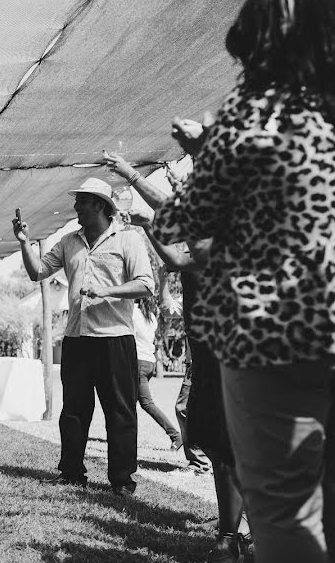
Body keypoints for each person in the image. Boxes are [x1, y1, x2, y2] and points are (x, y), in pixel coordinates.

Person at [146, 0, 335, 561]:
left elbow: (179, 221)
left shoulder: (251, 113)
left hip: (269, 334)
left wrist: (204, 151)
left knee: (285, 512)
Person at [105, 152, 246, 562]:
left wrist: (131, 176)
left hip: (238, 357)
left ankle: (234, 535)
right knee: (223, 449)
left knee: (239, 448)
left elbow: (178, 246)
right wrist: (150, 226)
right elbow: (177, 253)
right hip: (210, 356)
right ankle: (231, 535)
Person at [14, 177, 154, 495]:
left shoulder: (128, 240)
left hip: (115, 338)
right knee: (74, 410)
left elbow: (146, 285)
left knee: (120, 411)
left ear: (100, 206)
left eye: (82, 202)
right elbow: (37, 272)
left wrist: (106, 291)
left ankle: (121, 480)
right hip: (77, 338)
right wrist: (24, 241)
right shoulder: (68, 242)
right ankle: (72, 472)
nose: (75, 207)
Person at [133, 295, 182, 450]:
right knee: (127, 403)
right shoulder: (151, 317)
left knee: (147, 403)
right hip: (149, 363)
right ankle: (123, 436)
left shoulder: (132, 313)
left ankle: (175, 435)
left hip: (138, 362)